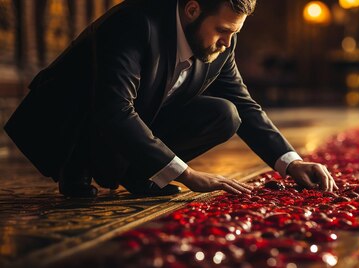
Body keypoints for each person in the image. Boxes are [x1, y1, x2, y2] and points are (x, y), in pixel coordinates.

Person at [4, 0, 337, 198]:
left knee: (227, 112)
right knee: (107, 118)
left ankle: (142, 174)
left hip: (135, 117)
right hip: (74, 127)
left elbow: (247, 106)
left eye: (233, 33)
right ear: (192, 9)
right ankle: (79, 167)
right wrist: (188, 175)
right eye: (222, 30)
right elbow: (113, 108)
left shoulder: (224, 42)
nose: (226, 41)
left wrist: (291, 163)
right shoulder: (135, 23)